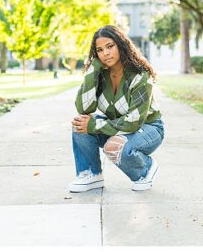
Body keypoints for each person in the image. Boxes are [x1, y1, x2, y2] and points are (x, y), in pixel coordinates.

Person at [69, 25, 164, 192]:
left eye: (110, 46)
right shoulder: (100, 75)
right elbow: (84, 108)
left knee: (114, 146)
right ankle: (91, 173)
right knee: (80, 123)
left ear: (121, 45)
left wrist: (95, 126)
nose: (105, 53)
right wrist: (92, 71)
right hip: (118, 126)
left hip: (148, 128)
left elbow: (133, 123)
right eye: (99, 50)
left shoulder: (140, 75)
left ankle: (145, 169)